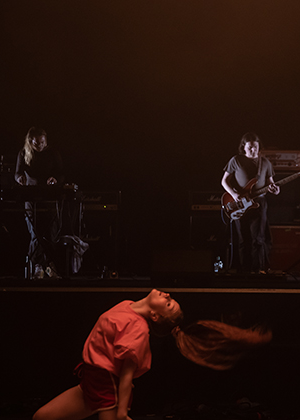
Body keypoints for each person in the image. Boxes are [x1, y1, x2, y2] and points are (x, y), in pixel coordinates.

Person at [33, 289, 271, 420]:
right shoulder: (127, 305)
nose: (168, 296)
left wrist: (122, 412)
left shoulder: (138, 329)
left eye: (169, 304)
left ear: (156, 316)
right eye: (170, 299)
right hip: (91, 383)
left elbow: (126, 377)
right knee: (41, 417)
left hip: (108, 390)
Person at [221, 132, 280, 274]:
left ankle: (257, 269)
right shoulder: (236, 160)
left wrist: (275, 190)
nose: (253, 150)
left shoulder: (265, 163)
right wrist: (234, 195)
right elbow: (224, 181)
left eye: (255, 146)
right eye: (250, 147)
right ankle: (243, 270)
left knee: (258, 238)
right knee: (242, 239)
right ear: (244, 147)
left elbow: (271, 184)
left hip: (259, 203)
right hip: (240, 203)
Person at [15, 127, 65, 279]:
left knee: (51, 233)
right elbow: (17, 173)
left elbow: (61, 173)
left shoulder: (52, 153)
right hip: (31, 196)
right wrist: (19, 179)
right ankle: (38, 266)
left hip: (49, 196)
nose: (41, 146)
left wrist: (55, 179)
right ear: (31, 142)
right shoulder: (24, 153)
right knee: (35, 233)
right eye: (37, 144)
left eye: (43, 143)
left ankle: (49, 265)